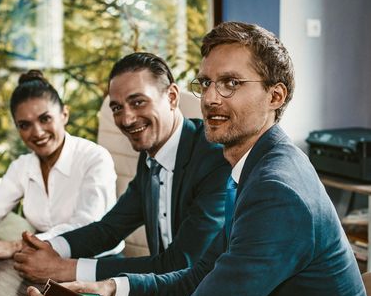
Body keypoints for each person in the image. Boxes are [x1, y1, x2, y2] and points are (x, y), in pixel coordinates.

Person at [20, 22, 371, 296]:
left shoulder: (275, 189)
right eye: (205, 83)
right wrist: (112, 288)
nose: (210, 98)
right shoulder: (257, 164)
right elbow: (198, 276)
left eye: (231, 83)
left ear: (275, 97)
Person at [13, 53, 230, 283]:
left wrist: (67, 269)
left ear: (172, 97)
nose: (126, 119)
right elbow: (109, 229)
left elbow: (180, 263)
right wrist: (49, 248)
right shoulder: (151, 156)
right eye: (117, 108)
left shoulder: (214, 158)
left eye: (138, 102)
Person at [0, 70, 121, 264]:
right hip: (45, 262)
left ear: (64, 114)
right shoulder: (23, 166)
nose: (37, 132)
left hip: (98, 266)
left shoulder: (94, 158)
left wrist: (15, 246)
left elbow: (87, 226)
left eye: (45, 119)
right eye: (25, 125)